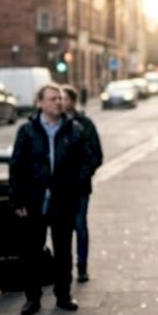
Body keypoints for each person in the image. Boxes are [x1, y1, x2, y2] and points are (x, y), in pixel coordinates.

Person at [10, 84, 90, 315]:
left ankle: (63, 295)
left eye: (60, 98)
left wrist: (76, 185)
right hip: (34, 200)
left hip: (63, 200)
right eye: (53, 99)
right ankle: (32, 298)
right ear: (40, 103)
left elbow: (86, 160)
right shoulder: (27, 131)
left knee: (63, 249)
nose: (58, 102)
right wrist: (18, 200)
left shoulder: (73, 129)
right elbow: (17, 167)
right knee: (32, 251)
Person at [61, 85, 103, 283]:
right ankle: (63, 268)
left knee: (79, 226)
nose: (61, 103)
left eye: (64, 99)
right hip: (58, 189)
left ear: (73, 101)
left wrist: (82, 176)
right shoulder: (52, 125)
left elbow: (96, 155)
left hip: (79, 187)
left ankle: (82, 266)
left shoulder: (84, 124)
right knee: (61, 230)